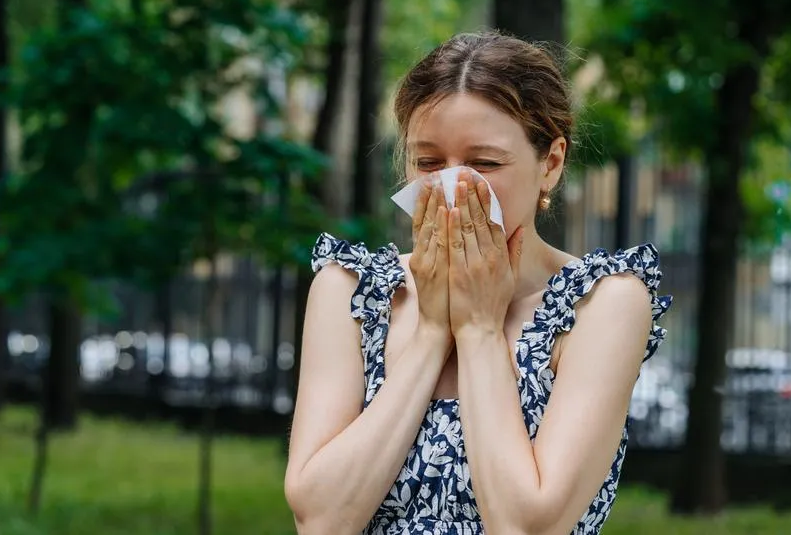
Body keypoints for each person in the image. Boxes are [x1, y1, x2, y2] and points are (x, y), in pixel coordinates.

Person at [283, 31, 672, 535]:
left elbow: (528, 526)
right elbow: (319, 520)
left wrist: (480, 329)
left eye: (484, 163)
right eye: (427, 163)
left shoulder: (602, 303)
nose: (453, 186)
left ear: (550, 164)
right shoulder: (351, 289)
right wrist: (431, 331)